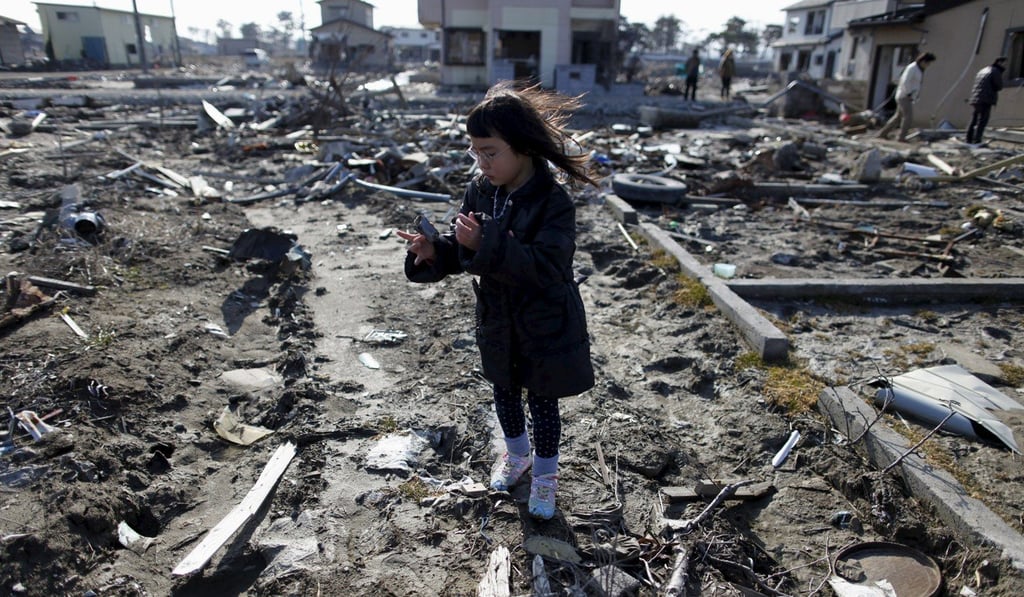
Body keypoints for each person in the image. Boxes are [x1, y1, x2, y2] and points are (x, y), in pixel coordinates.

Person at [396, 81, 597, 520]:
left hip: (544, 321)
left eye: (490, 152)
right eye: (474, 152)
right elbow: (467, 249)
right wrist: (437, 251)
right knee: (504, 393)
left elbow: (547, 265)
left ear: (522, 147)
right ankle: (517, 456)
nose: (481, 163)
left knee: (542, 404)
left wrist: (485, 243)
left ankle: (545, 476)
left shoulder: (553, 201)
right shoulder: (480, 190)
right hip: (498, 319)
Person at [877, 52, 936, 142]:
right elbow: (905, 81)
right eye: (928, 63)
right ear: (923, 61)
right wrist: (908, 94)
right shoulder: (912, 68)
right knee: (908, 117)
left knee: (897, 117)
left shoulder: (918, 69)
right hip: (904, 96)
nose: (928, 65)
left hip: (906, 96)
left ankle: (882, 133)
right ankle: (901, 137)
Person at [966, 56, 1006, 146]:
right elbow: (999, 86)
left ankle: (968, 139)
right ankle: (977, 140)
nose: (1005, 65)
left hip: (976, 98)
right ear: (999, 62)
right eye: (1003, 63)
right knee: (982, 120)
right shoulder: (995, 71)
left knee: (974, 119)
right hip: (986, 99)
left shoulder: (983, 70)